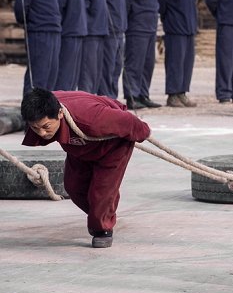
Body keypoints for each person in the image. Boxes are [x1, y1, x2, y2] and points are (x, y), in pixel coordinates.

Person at [20, 88, 151, 248]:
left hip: (112, 147)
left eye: (46, 126)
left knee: (101, 192)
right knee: (73, 187)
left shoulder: (93, 118)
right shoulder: (45, 106)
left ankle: (102, 229)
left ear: (60, 114)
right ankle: (104, 213)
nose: (41, 133)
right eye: (35, 128)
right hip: (79, 147)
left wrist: (143, 132)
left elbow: (129, 122)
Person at [158, 0, 199, 108]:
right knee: (175, 61)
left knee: (187, 62)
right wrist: (169, 20)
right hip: (175, 27)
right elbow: (162, 2)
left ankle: (182, 92)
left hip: (189, 27)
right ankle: (172, 94)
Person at [123, 0, 161, 109]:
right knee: (134, 64)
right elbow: (126, 4)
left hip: (150, 28)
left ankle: (143, 94)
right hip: (136, 28)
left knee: (148, 64)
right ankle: (132, 97)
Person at [98, 0, 127, 99]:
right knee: (107, 66)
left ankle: (113, 98)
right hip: (109, 29)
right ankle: (106, 98)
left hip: (120, 27)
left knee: (117, 66)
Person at [78, 0, 109, 94]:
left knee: (97, 70)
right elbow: (84, 7)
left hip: (100, 30)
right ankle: (86, 102)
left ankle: (93, 101)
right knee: (88, 71)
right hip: (90, 32)